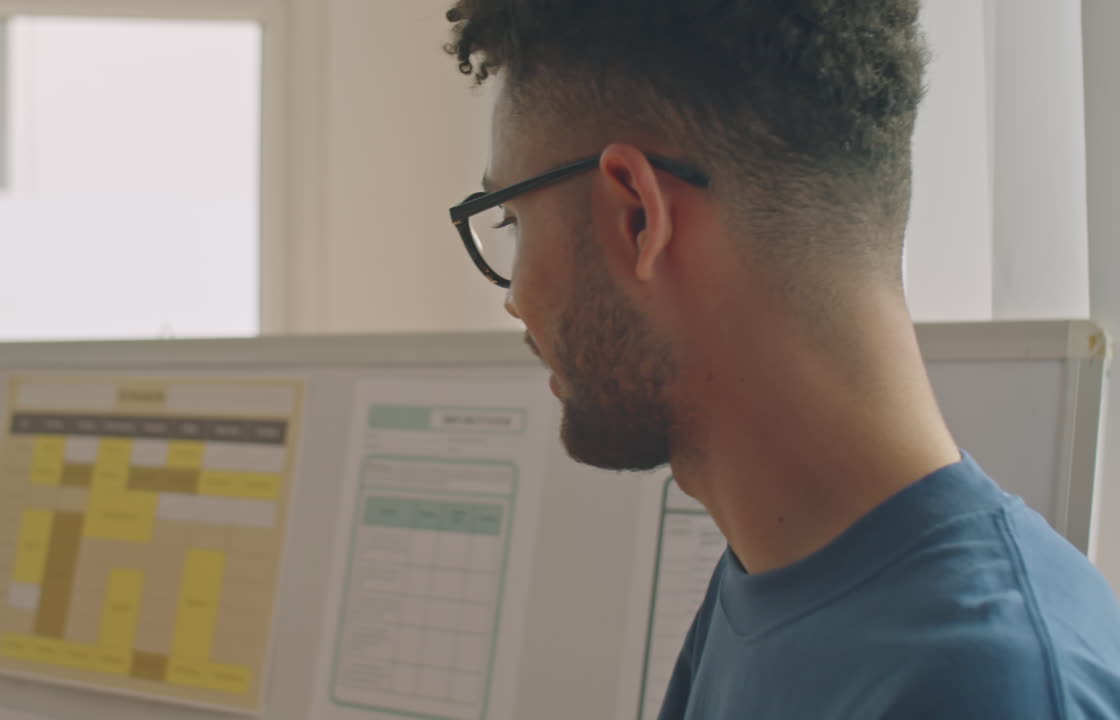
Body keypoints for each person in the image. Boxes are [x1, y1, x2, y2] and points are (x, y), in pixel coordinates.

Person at [441, 1, 1120, 718]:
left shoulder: (998, 689)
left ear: (638, 214)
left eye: (513, 222)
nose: (515, 301)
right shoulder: (772, 577)